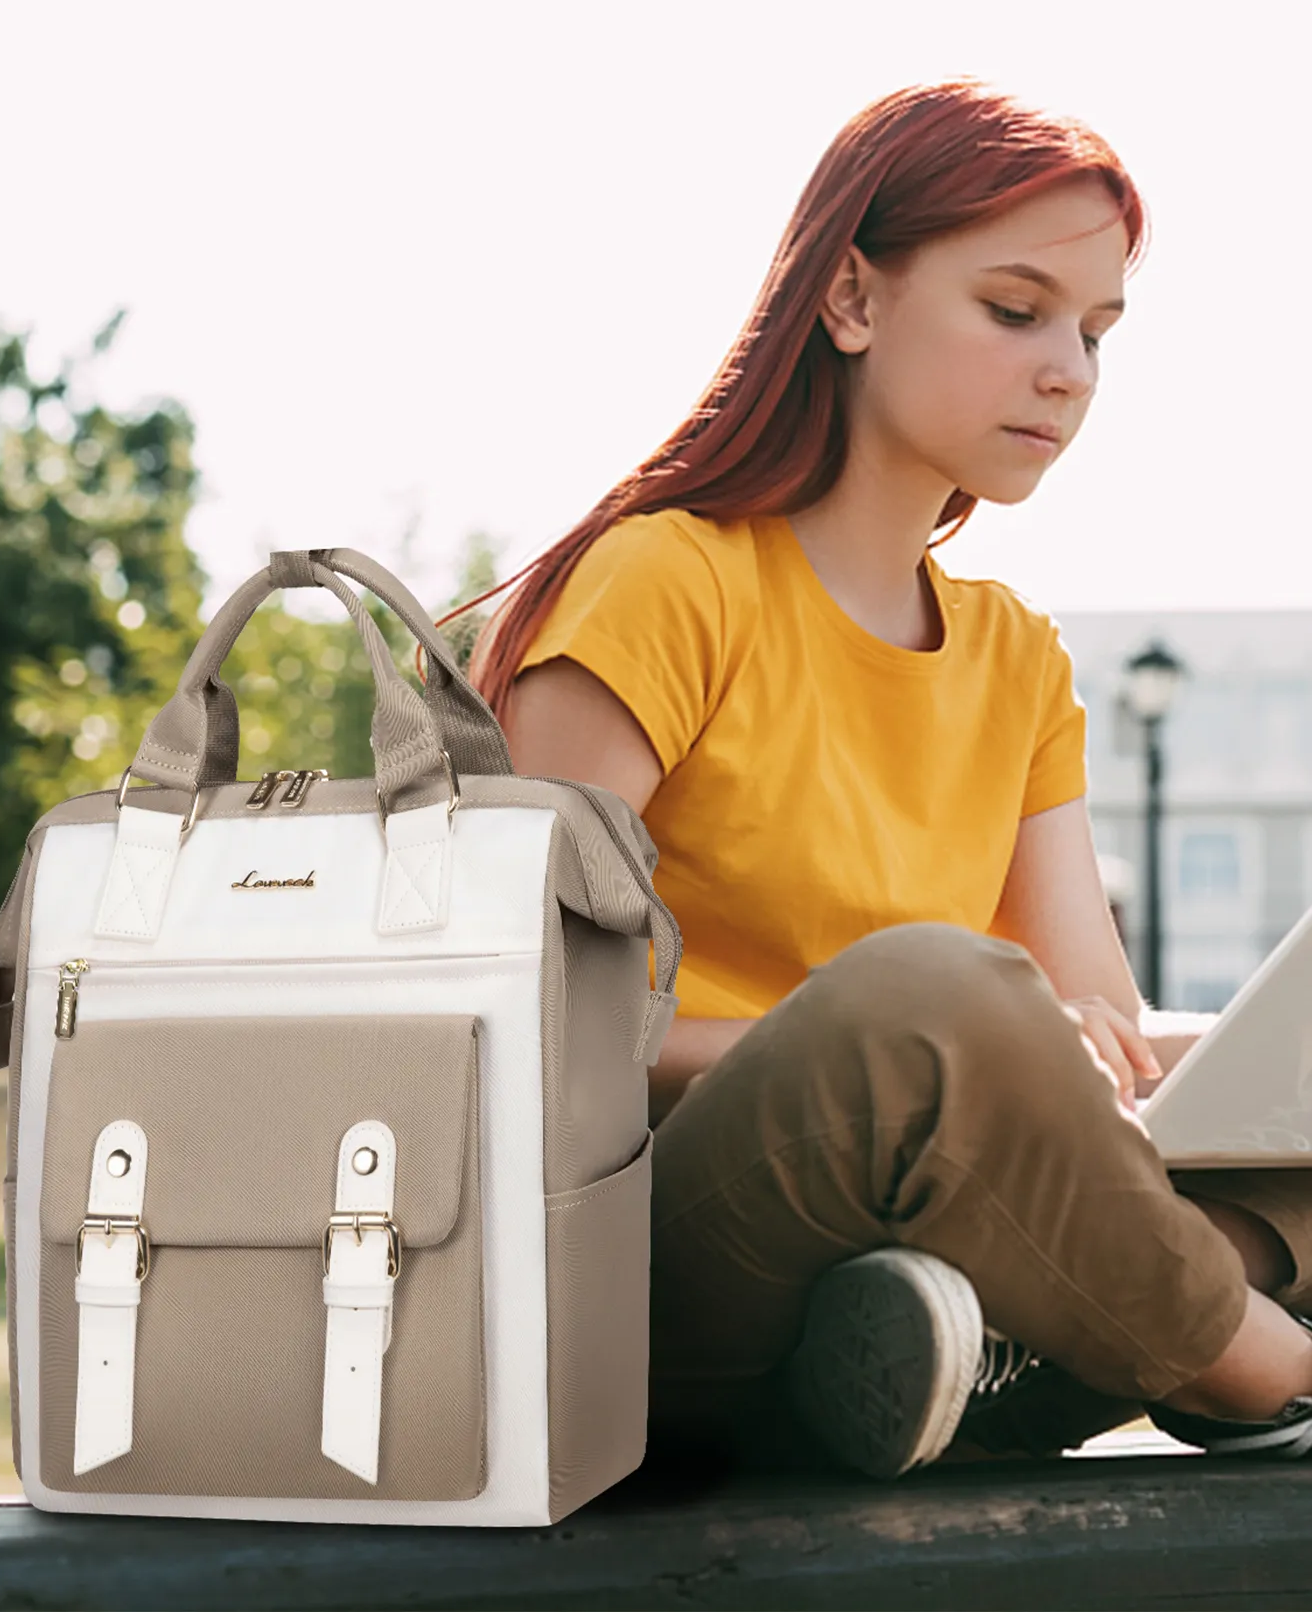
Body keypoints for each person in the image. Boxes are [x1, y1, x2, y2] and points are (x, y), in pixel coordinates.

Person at [445, 77, 1312, 1478]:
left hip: (937, 1224)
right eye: (1017, 310)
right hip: (656, 1262)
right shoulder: (665, 582)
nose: (1069, 371)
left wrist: (1168, 1072)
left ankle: (953, 1352)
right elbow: (526, 1018)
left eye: (1097, 333)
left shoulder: (1017, 658)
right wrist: (910, 1070)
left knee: (1173, 1069)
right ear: (851, 300)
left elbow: (1093, 1026)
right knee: (941, 998)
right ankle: (1259, 1358)